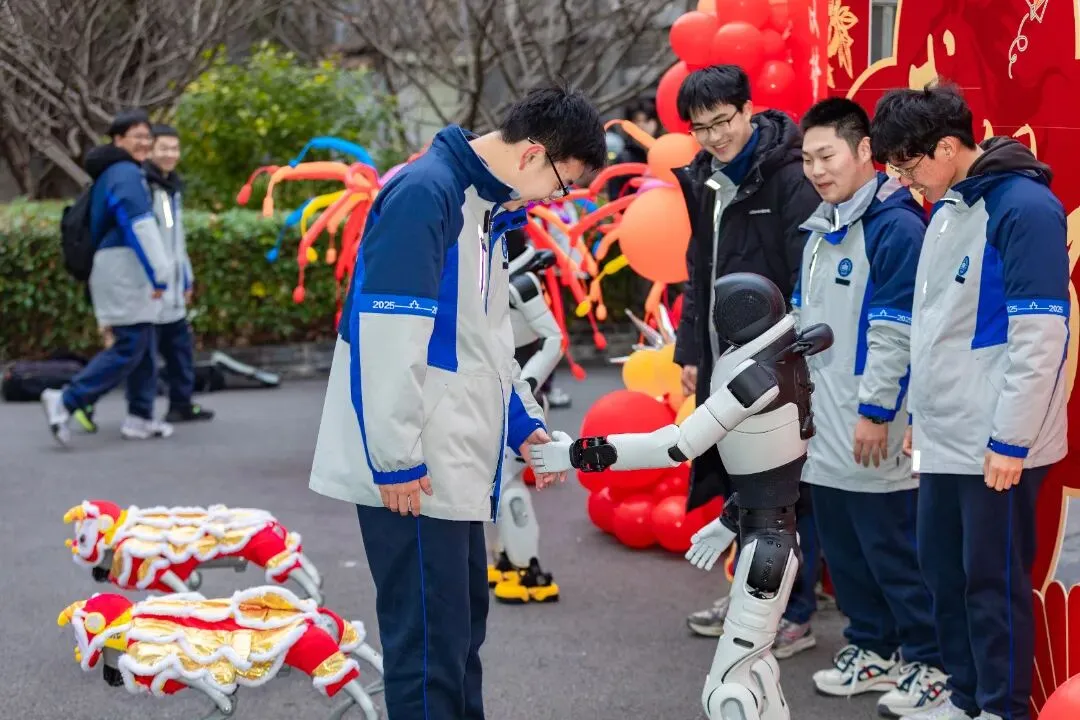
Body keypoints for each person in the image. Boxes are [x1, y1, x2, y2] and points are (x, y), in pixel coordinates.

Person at [307, 86, 606, 720]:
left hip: (448, 458)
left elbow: (488, 341)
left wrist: (523, 423)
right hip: (416, 467)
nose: (552, 199)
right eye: (560, 185)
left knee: (458, 632)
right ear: (533, 154)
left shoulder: (480, 205)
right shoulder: (429, 193)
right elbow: (386, 337)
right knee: (428, 650)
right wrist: (396, 460)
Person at [870, 83, 1069, 720]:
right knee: (943, 573)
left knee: (991, 584)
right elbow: (936, 330)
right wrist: (918, 420)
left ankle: (1000, 709)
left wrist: (1011, 440)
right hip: (944, 436)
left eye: (906, 164)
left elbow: (1041, 336)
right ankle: (964, 699)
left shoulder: (1024, 208)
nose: (900, 180)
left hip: (997, 443)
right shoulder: (950, 207)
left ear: (948, 147)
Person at [796, 97, 947, 716]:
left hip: (873, 423)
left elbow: (894, 332)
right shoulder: (819, 228)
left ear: (864, 150)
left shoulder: (895, 227)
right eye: (807, 159)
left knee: (893, 550)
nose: (816, 170)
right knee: (847, 550)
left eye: (826, 155)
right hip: (824, 424)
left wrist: (878, 412)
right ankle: (874, 648)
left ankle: (930, 661)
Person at [672, 64, 824, 657]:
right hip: (722, 358)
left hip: (776, 361)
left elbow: (806, 270)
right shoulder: (705, 178)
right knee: (740, 480)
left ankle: (794, 611)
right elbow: (698, 270)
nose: (715, 137)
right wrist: (691, 352)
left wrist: (792, 356)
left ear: (748, 109)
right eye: (701, 127)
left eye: (723, 121)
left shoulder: (788, 175)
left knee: (783, 490)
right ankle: (749, 595)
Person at [41, 109, 174, 444]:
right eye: (137, 136)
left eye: (147, 136)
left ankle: (140, 417)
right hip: (123, 269)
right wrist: (160, 275)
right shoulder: (125, 174)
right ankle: (67, 399)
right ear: (117, 139)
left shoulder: (115, 172)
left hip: (119, 267)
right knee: (130, 344)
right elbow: (139, 227)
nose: (144, 142)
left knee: (144, 342)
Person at [486, 227, 565, 604]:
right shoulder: (484, 277)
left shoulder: (522, 284)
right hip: (492, 393)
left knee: (509, 485)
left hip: (521, 400)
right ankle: (507, 557)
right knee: (494, 483)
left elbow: (554, 340)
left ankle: (528, 566)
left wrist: (529, 382)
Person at [145, 124, 214, 424]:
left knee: (180, 350)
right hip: (153, 288)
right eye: (164, 148)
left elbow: (176, 241)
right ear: (150, 150)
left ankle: (181, 404)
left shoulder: (171, 189)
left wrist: (186, 278)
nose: (170, 154)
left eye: (174, 148)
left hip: (173, 288)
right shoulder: (146, 188)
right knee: (139, 355)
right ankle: (89, 401)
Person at [606, 97, 660, 199]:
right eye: (637, 121)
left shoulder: (663, 155)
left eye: (647, 120)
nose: (642, 125)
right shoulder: (623, 159)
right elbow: (615, 196)